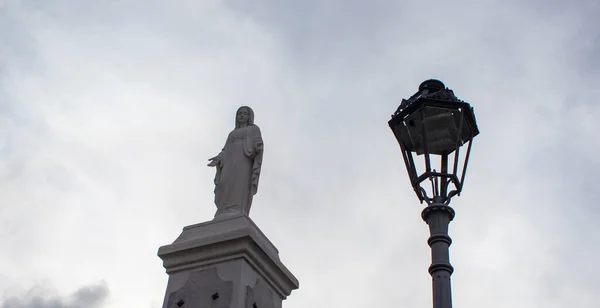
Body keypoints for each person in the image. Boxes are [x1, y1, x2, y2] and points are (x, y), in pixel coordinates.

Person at [208, 106, 263, 216]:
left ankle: (237, 208)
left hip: (244, 160)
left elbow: (258, 143)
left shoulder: (253, 129)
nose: (241, 115)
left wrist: (258, 146)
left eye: (244, 113)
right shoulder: (232, 134)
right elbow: (225, 150)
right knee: (224, 183)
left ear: (249, 117)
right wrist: (219, 158)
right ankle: (224, 209)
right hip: (229, 161)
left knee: (240, 183)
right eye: (239, 113)